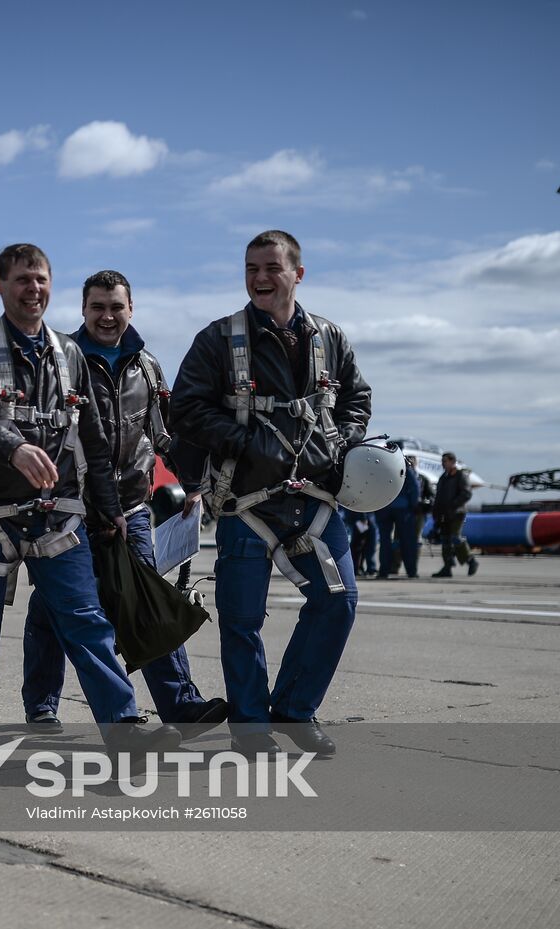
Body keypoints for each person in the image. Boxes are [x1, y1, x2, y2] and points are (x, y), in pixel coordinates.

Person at [0, 243, 181, 756]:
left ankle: (123, 731)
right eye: (23, 279)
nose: (33, 289)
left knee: (88, 626)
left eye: (41, 279)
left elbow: (91, 439)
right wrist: (14, 447)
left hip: (57, 521)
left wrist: (112, 509)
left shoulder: (67, 354)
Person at [170, 230, 371, 757]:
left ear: (297, 274)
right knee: (241, 619)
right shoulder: (218, 340)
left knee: (339, 602)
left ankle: (295, 710)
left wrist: (340, 443)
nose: (260, 278)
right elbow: (185, 409)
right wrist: (248, 441)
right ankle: (252, 729)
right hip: (245, 501)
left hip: (316, 499)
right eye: (251, 268)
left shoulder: (328, 337)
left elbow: (357, 399)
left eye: (272, 268)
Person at [21, 270, 229, 737]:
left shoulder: (147, 367)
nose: (107, 316)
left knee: (146, 600)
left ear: (130, 309)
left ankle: (181, 707)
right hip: (71, 511)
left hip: (133, 509)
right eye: (98, 306)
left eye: (116, 306)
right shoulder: (56, 363)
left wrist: (194, 483)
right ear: (82, 310)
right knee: (56, 608)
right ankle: (41, 704)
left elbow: (165, 435)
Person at [431, 451, 478, 577]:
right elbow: (439, 497)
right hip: (444, 515)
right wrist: (436, 513)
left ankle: (470, 560)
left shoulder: (460, 476)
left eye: (445, 461)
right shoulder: (443, 478)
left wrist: (453, 504)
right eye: (442, 462)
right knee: (445, 540)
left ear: (452, 462)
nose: (442, 464)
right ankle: (447, 566)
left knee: (455, 538)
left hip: (457, 513)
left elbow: (466, 493)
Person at [374, 456, 420, 578]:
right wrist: (414, 505)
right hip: (403, 508)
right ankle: (411, 571)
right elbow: (415, 486)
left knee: (385, 541)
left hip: (384, 507)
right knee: (408, 541)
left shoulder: (379, 467)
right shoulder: (403, 466)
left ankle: (384, 571)